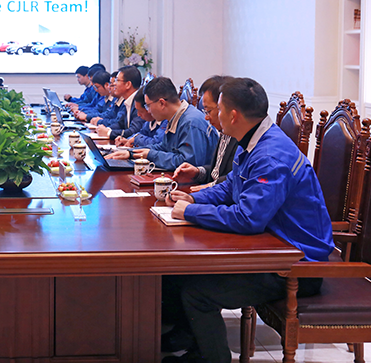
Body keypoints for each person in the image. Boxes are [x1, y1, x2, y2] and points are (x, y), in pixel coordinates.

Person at [162, 78, 334, 363]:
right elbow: (232, 184)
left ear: (233, 115)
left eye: (217, 109)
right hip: (272, 249)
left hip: (296, 265)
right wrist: (194, 199)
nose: (213, 115)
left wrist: (190, 213)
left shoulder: (270, 155)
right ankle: (190, 342)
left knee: (197, 293)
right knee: (182, 273)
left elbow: (248, 218)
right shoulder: (254, 140)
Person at [106, 76, 217, 170]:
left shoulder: (191, 123)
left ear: (162, 103)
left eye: (148, 106)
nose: (148, 111)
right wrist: (131, 153)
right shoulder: (175, 117)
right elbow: (163, 147)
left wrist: (149, 155)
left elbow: (187, 164)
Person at [172, 75, 238, 190]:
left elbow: (235, 180)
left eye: (208, 111)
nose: (206, 118)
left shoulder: (240, 137)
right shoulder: (224, 132)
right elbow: (217, 172)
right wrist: (197, 171)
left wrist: (209, 187)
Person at [96, 66, 145, 141]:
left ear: (128, 84)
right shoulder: (127, 100)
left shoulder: (139, 101)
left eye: (117, 80)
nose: (114, 84)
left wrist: (109, 133)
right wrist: (107, 129)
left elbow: (134, 131)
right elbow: (120, 123)